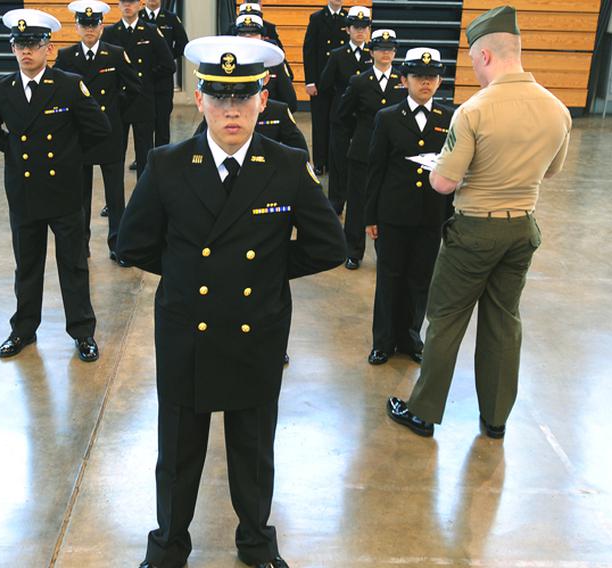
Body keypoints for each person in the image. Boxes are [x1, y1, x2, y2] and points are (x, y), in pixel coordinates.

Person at [116, 35, 346, 568]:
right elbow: (133, 243)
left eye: (242, 98)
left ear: (263, 99)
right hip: (185, 331)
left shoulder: (286, 165)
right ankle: (169, 546)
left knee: (253, 449)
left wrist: (264, 273)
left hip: (256, 329)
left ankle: (257, 544)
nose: (231, 112)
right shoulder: (167, 163)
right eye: (219, 99)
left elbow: (327, 245)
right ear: (199, 101)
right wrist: (191, 272)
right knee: (177, 453)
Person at [385, 5, 572, 439]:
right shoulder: (557, 109)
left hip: (474, 231)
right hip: (522, 228)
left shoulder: (473, 111)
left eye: (472, 59)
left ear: (485, 55)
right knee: (504, 321)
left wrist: (448, 170)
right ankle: (495, 418)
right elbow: (551, 171)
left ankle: (424, 411)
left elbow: (444, 184)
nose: (473, 67)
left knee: (446, 319)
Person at [0, 8, 111, 361]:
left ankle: (83, 332)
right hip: (23, 194)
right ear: (12, 49)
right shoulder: (1, 89)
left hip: (64, 192)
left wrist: (69, 157)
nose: (26, 52)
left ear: (48, 49)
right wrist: (16, 149)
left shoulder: (67, 85)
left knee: (73, 265)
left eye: (34, 44)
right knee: (28, 264)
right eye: (20, 45)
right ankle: (22, 330)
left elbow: (100, 129)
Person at [363, 48, 453, 367]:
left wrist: (450, 218)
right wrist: (370, 216)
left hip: (430, 214)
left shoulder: (449, 118)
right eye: (418, 76)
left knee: (419, 279)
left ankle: (411, 337)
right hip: (393, 214)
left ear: (439, 80)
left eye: (431, 77)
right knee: (389, 278)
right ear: (404, 80)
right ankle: (383, 341)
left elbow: (454, 171)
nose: (425, 83)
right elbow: (375, 169)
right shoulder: (387, 118)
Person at [54, 0, 141, 265]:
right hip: (79, 135)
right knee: (80, 194)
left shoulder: (115, 54)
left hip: (109, 132)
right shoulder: (67, 57)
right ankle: (81, 244)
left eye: (93, 25)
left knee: (115, 195)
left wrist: (113, 111)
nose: (89, 29)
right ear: (77, 27)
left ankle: (118, 245)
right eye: (84, 24)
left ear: (101, 26)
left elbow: (134, 87)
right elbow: (58, 93)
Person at [338, 28, 405, 269]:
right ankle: (353, 251)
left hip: (393, 153)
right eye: (380, 49)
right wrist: (356, 137)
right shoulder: (359, 81)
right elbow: (343, 115)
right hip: (363, 151)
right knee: (357, 203)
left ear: (395, 52)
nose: (385, 53)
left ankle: (384, 251)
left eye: (390, 49)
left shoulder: (403, 81)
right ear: (372, 51)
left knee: (387, 203)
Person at [102, 0, 175, 178]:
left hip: (143, 99)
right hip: (119, 100)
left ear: (139, 4)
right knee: (116, 155)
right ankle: (115, 204)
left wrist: (146, 79)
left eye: (132, 2)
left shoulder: (150, 31)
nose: (128, 6)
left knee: (144, 153)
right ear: (118, 5)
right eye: (124, 2)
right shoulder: (110, 33)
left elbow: (168, 64)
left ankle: (144, 201)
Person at [317, 5, 372, 215]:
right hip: (341, 115)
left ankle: (363, 203)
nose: (360, 32)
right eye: (355, 27)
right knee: (338, 159)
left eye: (364, 27)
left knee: (365, 160)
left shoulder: (373, 54)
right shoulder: (338, 54)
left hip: (365, 117)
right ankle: (336, 202)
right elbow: (324, 83)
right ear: (347, 29)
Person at [302, 0, 348, 175]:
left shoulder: (348, 18)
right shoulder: (317, 18)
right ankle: (320, 162)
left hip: (341, 81)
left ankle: (335, 162)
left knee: (339, 123)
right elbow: (309, 50)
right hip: (321, 81)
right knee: (320, 123)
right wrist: (310, 81)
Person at [139, 0, 188, 148]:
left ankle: (162, 156)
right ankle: (144, 157)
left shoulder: (171, 18)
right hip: (142, 79)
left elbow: (183, 44)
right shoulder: (138, 18)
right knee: (142, 123)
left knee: (162, 122)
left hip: (163, 79)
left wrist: (167, 56)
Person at [232, 12, 297, 112]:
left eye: (253, 34)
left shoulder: (273, 64)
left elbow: (290, 103)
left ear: (262, 38)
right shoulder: (227, 65)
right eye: (242, 34)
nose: (248, 38)